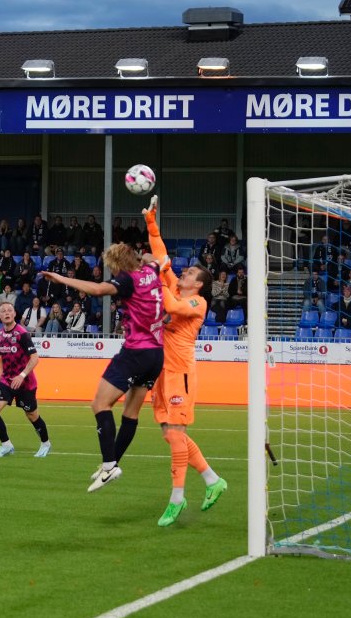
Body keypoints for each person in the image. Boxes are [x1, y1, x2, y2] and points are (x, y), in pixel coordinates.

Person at [41, 240, 164, 492]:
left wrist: (61, 279)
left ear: (117, 266)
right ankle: (111, 463)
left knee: (100, 404)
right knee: (130, 413)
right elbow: (155, 257)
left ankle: (109, 465)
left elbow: (97, 290)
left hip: (135, 352)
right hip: (156, 354)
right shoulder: (152, 271)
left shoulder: (127, 279)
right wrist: (141, 257)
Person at [143, 196, 227, 526]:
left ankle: (176, 498)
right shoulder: (176, 288)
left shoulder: (196, 303)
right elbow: (161, 253)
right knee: (169, 433)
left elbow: (173, 309)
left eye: (190, 272)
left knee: (176, 434)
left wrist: (155, 276)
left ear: (200, 285)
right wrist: (151, 221)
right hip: (162, 373)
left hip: (181, 373)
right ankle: (212, 480)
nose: (184, 272)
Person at [0, 302, 52, 458]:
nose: (7, 313)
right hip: (6, 381)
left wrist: (22, 375)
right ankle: (6, 445)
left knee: (32, 415)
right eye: (3, 311)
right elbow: (2, 357)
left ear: (14, 313)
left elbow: (35, 358)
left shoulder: (22, 333)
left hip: (25, 382)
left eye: (10, 310)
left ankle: (45, 443)